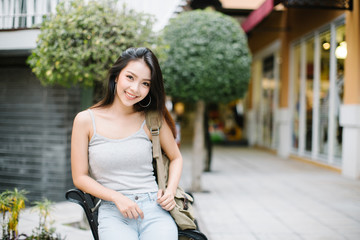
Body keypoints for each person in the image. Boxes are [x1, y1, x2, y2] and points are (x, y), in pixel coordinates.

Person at [71, 47, 182, 239]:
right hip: (114, 212)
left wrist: (170, 192)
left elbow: (176, 157)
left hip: (154, 210)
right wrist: (116, 197)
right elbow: (80, 177)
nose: (135, 89)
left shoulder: (152, 119)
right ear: (116, 76)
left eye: (145, 83)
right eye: (130, 77)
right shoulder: (85, 120)